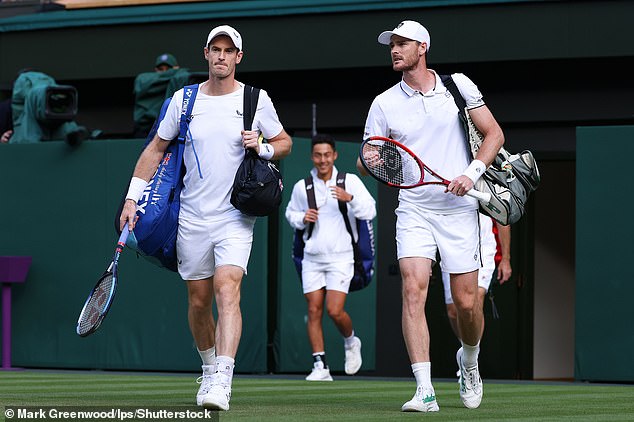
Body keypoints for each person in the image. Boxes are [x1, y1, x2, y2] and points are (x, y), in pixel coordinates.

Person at [119, 24, 292, 411]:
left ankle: (224, 381)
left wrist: (263, 146)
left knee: (227, 290)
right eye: (215, 50)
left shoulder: (255, 99)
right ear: (206, 54)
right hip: (192, 217)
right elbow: (155, 149)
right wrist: (132, 199)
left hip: (235, 216)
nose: (221, 56)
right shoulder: (184, 100)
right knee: (198, 302)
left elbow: (285, 143)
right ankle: (210, 367)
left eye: (228, 51)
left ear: (238, 58)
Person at [358, 20, 504, 412]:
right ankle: (424, 390)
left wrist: (470, 173)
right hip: (415, 209)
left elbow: (494, 134)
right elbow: (368, 153)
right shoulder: (383, 103)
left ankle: (469, 360)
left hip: (460, 207)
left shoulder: (459, 86)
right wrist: (371, 160)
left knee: (466, 303)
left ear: (422, 47)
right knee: (413, 288)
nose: (394, 49)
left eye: (402, 43)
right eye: (392, 44)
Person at [285, 134, 376, 381]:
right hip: (312, 258)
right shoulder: (302, 187)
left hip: (342, 257)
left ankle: (350, 341)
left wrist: (351, 199)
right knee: (314, 310)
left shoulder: (350, 182)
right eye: (318, 155)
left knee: (334, 310)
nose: (322, 160)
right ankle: (320, 366)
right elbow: (290, 214)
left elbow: (370, 210)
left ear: (334, 155)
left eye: (327, 154)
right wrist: (302, 218)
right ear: (312, 156)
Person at [441, 216, 512, 363]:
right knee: (454, 311)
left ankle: (471, 361)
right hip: (451, 242)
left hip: (483, 243)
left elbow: (502, 219)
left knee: (475, 301)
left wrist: (505, 259)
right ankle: (466, 351)